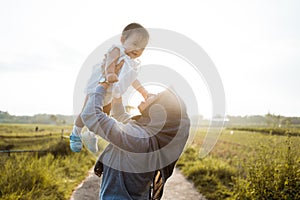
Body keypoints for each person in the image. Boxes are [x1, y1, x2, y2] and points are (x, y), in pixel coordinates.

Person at [76, 68, 191, 199]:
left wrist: (102, 84)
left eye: (156, 97)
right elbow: (120, 116)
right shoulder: (147, 137)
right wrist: (117, 95)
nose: (150, 94)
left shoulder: (139, 138)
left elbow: (91, 115)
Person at [70, 23, 151, 153]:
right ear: (123, 40)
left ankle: (91, 135)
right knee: (87, 111)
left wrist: (142, 91)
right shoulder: (117, 50)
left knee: (104, 115)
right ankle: (76, 133)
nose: (138, 50)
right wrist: (110, 73)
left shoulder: (132, 63)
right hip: (98, 85)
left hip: (111, 92)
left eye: (142, 48)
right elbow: (110, 62)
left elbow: (132, 80)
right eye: (135, 44)